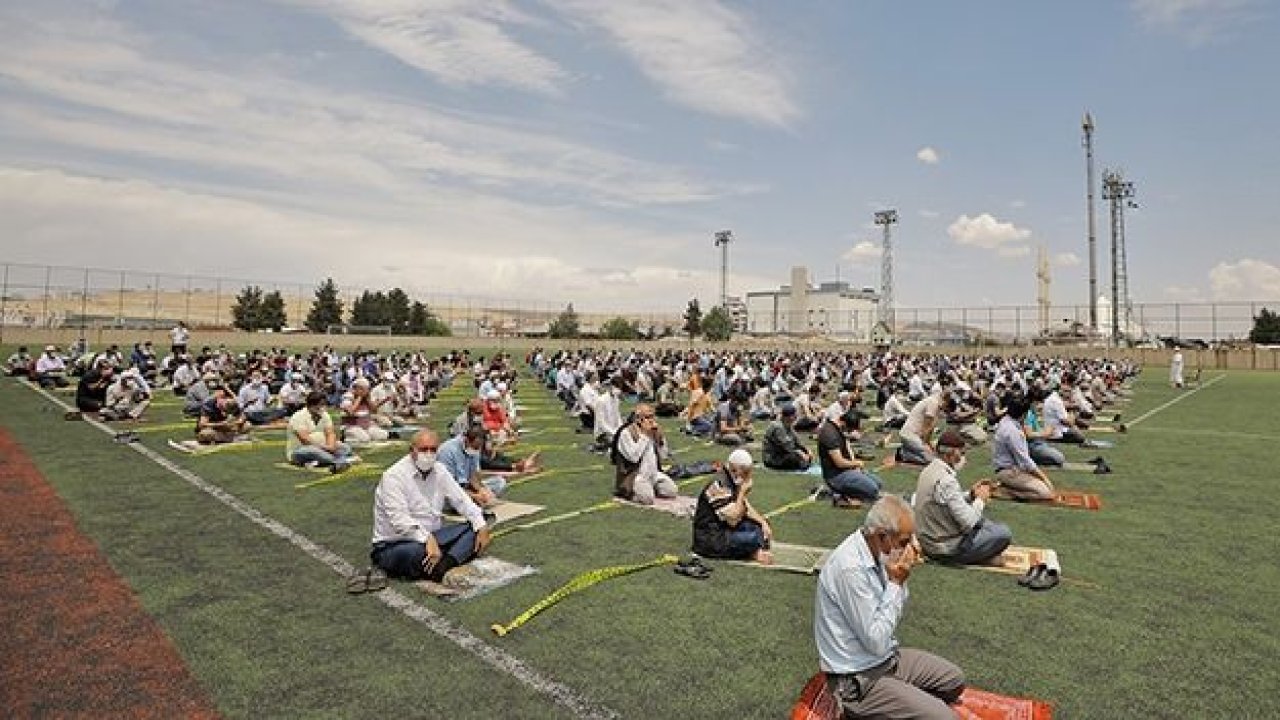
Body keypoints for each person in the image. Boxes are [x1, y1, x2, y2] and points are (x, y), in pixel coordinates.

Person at [815, 495, 966, 718]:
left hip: (886, 659)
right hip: (857, 677)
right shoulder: (850, 569)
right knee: (945, 718)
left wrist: (897, 581)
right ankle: (861, 707)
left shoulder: (877, 551)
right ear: (882, 536)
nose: (908, 548)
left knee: (953, 680)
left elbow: (894, 608)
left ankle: (895, 699)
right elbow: (875, 641)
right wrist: (896, 583)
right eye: (904, 542)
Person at [369, 430, 492, 583]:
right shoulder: (393, 477)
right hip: (395, 543)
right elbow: (399, 521)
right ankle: (451, 557)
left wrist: (481, 526)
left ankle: (443, 565)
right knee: (418, 553)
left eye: (433, 449)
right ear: (411, 451)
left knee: (478, 526)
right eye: (423, 449)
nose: (428, 454)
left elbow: (461, 500)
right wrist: (426, 538)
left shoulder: (440, 470)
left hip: (434, 536)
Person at [912, 431, 1011, 565]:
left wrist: (971, 495)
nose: (963, 458)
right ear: (951, 454)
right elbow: (968, 522)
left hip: (930, 540)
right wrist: (981, 499)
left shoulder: (929, 470)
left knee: (984, 523)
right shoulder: (946, 480)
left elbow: (945, 500)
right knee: (1003, 533)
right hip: (945, 548)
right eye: (962, 453)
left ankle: (983, 555)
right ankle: (980, 557)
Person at [691, 449, 773, 564]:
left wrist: (763, 522)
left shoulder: (732, 479)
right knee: (753, 537)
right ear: (734, 469)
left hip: (724, 529)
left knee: (760, 525)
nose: (748, 476)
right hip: (711, 539)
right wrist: (743, 492)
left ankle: (754, 549)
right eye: (746, 472)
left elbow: (746, 507)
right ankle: (754, 551)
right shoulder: (718, 485)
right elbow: (733, 520)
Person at [992, 395, 1055, 501]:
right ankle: (1008, 492)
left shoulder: (1006, 422)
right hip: (1009, 472)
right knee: (1046, 493)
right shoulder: (1013, 431)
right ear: (1024, 414)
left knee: (1041, 486)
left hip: (1009, 469)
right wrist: (1045, 479)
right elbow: (1025, 461)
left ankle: (1007, 487)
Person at [613, 403, 678, 505]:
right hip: (635, 476)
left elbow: (663, 456)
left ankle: (649, 488)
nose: (652, 420)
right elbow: (633, 458)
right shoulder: (626, 433)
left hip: (654, 474)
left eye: (653, 416)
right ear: (638, 419)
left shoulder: (653, 431)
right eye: (648, 417)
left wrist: (660, 438)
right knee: (647, 499)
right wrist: (644, 435)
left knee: (671, 491)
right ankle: (629, 492)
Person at [818, 409, 882, 506]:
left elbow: (847, 447)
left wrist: (854, 465)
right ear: (843, 423)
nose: (850, 432)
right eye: (849, 429)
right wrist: (856, 463)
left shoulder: (839, 428)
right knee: (873, 490)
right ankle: (839, 496)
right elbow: (839, 462)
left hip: (846, 471)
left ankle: (847, 493)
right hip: (835, 476)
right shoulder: (829, 434)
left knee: (878, 483)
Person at [438, 426, 507, 508]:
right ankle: (473, 502)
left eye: (479, 447)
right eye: (475, 447)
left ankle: (476, 501)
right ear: (466, 440)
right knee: (457, 500)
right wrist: (475, 496)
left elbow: (473, 475)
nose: (477, 450)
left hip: (466, 487)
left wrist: (481, 490)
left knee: (499, 482)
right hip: (449, 492)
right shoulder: (447, 451)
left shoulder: (474, 448)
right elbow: (449, 487)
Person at [286, 391, 354, 471]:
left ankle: (319, 462)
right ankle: (340, 461)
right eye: (320, 404)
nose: (322, 407)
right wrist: (326, 448)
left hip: (324, 447)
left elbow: (330, 433)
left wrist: (331, 446)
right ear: (311, 405)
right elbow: (305, 440)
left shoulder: (324, 415)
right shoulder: (298, 417)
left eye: (323, 404)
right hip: (300, 449)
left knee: (345, 447)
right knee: (313, 451)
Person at [762, 404, 813, 471]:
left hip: (782, 454)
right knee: (795, 457)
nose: (796, 417)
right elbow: (787, 447)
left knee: (803, 453)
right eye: (794, 415)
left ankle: (801, 464)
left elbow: (798, 442)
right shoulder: (777, 427)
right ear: (788, 417)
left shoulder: (788, 426)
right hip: (773, 458)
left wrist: (807, 450)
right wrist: (800, 453)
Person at [897, 391, 941, 466]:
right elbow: (925, 430)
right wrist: (928, 447)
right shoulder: (933, 404)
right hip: (910, 435)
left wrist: (929, 446)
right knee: (932, 460)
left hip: (910, 435)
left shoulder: (935, 406)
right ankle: (903, 454)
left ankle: (907, 450)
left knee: (931, 454)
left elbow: (929, 432)